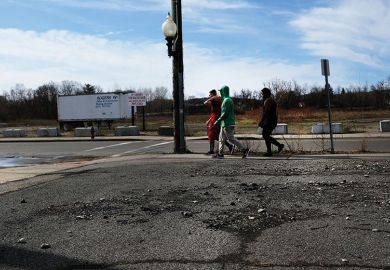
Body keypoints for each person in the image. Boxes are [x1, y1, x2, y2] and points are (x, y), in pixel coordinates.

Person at [213, 85, 250, 159]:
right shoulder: (227, 100)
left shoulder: (227, 100)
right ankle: (220, 154)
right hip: (224, 123)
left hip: (228, 123)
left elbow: (225, 113)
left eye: (221, 92)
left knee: (230, 138)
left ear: (223, 91)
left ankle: (244, 149)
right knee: (221, 139)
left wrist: (217, 120)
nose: (220, 94)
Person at [204, 89, 234, 155]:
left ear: (213, 94)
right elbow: (213, 112)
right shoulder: (216, 100)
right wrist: (209, 120)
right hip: (214, 118)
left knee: (211, 135)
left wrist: (212, 97)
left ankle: (211, 151)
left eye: (210, 94)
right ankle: (230, 146)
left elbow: (205, 103)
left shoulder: (216, 99)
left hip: (215, 119)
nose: (209, 96)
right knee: (217, 136)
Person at [259, 87, 284, 156]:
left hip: (269, 121)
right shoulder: (269, 100)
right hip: (270, 121)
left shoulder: (268, 101)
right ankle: (269, 152)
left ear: (267, 94)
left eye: (263, 93)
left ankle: (279, 145)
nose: (262, 95)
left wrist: (261, 121)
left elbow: (266, 112)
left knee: (265, 135)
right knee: (266, 135)